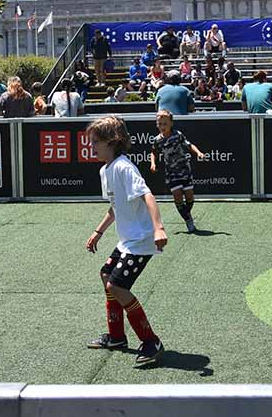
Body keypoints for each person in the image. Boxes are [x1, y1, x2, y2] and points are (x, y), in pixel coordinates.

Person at [83, 116, 167, 367]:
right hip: (127, 241)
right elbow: (115, 207)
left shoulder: (123, 166)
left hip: (141, 240)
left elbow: (147, 195)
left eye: (95, 142)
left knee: (117, 287)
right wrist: (97, 232)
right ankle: (117, 337)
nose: (92, 147)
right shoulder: (105, 170)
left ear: (112, 141)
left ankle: (151, 341)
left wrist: (159, 228)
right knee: (106, 276)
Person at [150, 110, 206, 233]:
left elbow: (189, 145)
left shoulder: (177, 135)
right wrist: (153, 163)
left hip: (184, 169)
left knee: (189, 195)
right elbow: (153, 152)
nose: (162, 126)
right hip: (171, 172)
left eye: (165, 124)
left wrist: (198, 153)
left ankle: (186, 213)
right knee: (177, 197)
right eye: (159, 124)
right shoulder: (157, 140)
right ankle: (188, 220)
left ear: (171, 123)